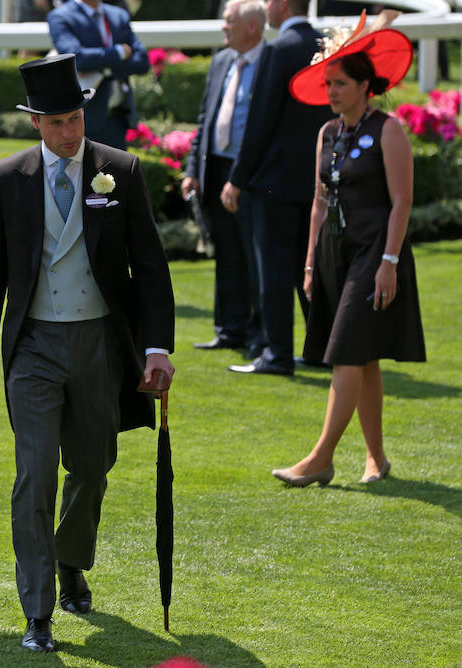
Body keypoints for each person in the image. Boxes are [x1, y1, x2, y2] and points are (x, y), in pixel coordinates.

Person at [0, 54, 175, 653]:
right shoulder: (7, 177)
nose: (69, 132)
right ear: (34, 122)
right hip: (32, 345)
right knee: (34, 475)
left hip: (98, 345)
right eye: (56, 122)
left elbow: (151, 266)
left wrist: (157, 348)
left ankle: (70, 559)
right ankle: (37, 611)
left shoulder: (121, 170)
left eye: (75, 119)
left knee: (91, 468)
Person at [272, 14, 425, 486]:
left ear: (364, 86)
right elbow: (320, 203)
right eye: (328, 83)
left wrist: (389, 262)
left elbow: (402, 202)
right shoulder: (327, 133)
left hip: (375, 252)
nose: (332, 91)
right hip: (334, 254)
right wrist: (310, 264)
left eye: (340, 83)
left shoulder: (389, 130)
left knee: (345, 352)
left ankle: (321, 458)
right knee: (363, 355)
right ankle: (376, 459)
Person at [221, 0, 333, 375]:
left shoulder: (278, 50)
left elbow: (260, 119)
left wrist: (237, 178)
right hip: (316, 178)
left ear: (283, 5)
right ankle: (320, 351)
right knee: (311, 266)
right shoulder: (326, 44)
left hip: (276, 182)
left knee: (274, 271)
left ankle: (277, 354)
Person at [182, 0, 265, 353]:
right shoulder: (221, 61)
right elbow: (205, 121)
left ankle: (259, 336)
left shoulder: (270, 63)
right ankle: (229, 330)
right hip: (216, 170)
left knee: (254, 256)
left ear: (252, 26)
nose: (223, 27)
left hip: (252, 174)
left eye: (229, 21)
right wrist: (192, 171)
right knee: (227, 252)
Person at [47, 0, 149, 150]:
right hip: (82, 119)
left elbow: (142, 62)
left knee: (118, 165)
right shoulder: (60, 16)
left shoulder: (118, 15)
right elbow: (76, 59)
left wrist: (102, 68)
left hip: (117, 120)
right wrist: (119, 52)